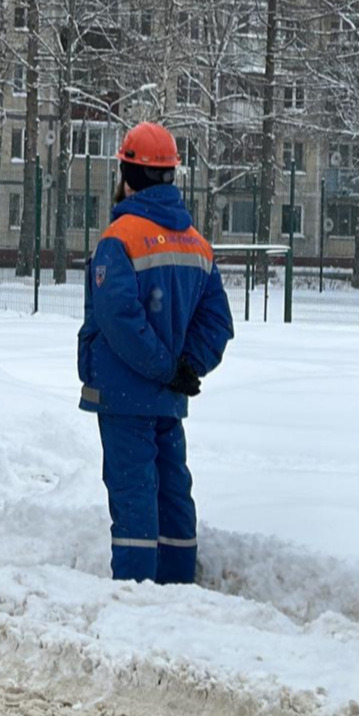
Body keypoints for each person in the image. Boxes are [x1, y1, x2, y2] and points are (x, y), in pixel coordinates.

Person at [78, 121, 234, 584]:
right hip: (168, 399)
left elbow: (118, 317)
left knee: (134, 497)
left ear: (127, 174)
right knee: (172, 494)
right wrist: (187, 367)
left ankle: (135, 596)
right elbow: (218, 322)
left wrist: (166, 369)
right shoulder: (196, 242)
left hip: (125, 397)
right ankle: (178, 587)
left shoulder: (120, 238)